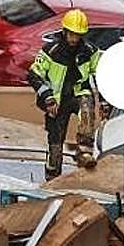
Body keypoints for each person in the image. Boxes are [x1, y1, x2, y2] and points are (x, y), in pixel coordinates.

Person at [27, 9, 103, 181]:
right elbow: (34, 74)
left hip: (77, 93)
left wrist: (104, 102)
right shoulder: (50, 51)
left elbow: (99, 75)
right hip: (55, 100)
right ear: (64, 32)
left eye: (78, 35)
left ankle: (84, 151)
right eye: (72, 35)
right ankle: (52, 175)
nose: (74, 39)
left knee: (87, 105)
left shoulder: (90, 51)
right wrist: (48, 97)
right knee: (55, 140)